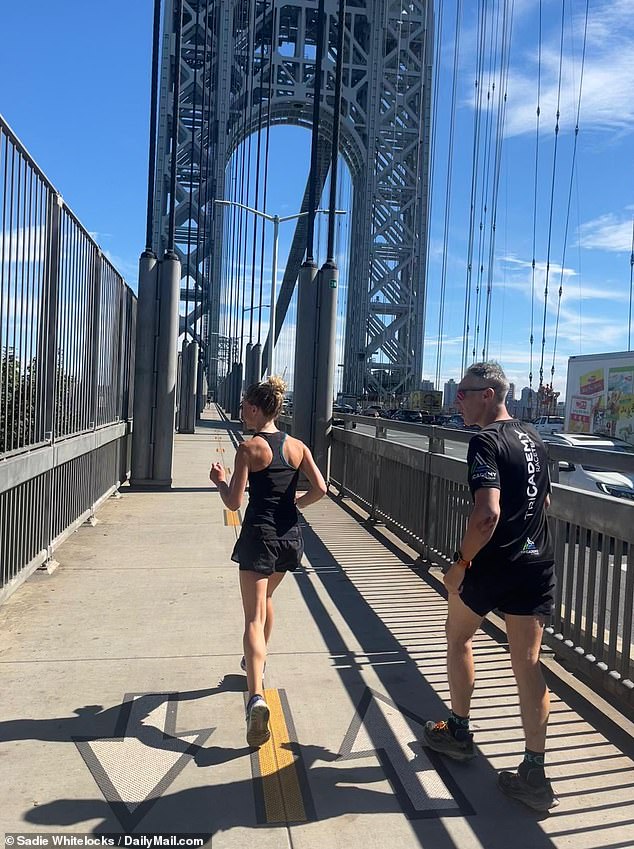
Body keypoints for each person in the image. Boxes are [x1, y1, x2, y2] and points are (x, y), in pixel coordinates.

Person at [422, 361, 558, 812]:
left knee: (458, 636)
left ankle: (459, 731)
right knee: (528, 663)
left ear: (488, 394)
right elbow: (546, 500)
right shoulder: (534, 436)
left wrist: (461, 564)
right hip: (536, 562)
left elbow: (487, 514)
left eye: (463, 393)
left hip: (494, 563)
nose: (456, 400)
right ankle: (534, 774)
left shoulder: (485, 440)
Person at [209, 376, 326, 748]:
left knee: (253, 618)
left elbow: (233, 502)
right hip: (290, 540)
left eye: (245, 406)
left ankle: (255, 697)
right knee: (267, 602)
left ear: (257, 409)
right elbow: (321, 489)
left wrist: (220, 480)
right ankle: (257, 663)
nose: (242, 411)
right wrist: (296, 504)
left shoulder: (249, 449)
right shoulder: (297, 446)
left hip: (259, 538)